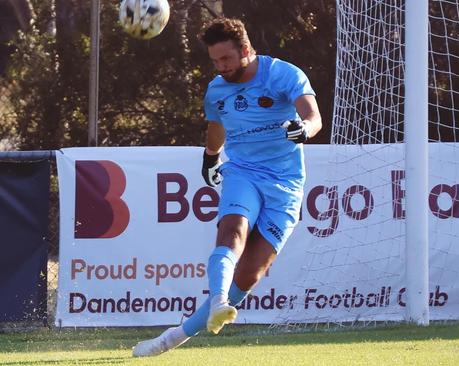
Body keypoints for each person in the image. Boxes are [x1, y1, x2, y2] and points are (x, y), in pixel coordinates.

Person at [132, 17, 322, 357]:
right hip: (243, 172)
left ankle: (175, 336)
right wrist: (210, 157)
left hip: (286, 184)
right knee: (232, 230)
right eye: (215, 61)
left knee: (251, 272)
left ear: (246, 50)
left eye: (227, 60)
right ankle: (216, 302)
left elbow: (314, 116)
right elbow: (217, 125)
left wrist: (304, 129)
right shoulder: (217, 89)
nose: (221, 67)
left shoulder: (282, 74)